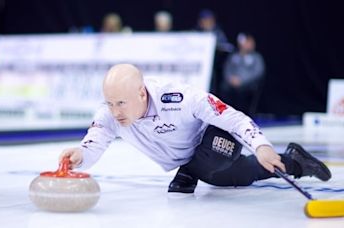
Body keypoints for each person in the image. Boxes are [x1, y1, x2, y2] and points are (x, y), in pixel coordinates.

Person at [59, 64, 331, 194]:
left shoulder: (179, 98)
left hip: (217, 140)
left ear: (142, 94)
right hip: (197, 160)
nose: (115, 112)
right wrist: (80, 156)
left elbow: (232, 118)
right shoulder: (109, 115)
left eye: (121, 103)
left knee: (215, 157)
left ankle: (189, 171)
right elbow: (92, 145)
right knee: (239, 175)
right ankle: (295, 162)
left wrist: (260, 145)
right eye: (109, 103)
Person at [222, 33, 265, 116]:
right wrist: (231, 79)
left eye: (252, 43)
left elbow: (258, 72)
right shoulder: (233, 56)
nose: (251, 45)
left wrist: (242, 81)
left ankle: (243, 115)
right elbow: (227, 69)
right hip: (232, 84)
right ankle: (228, 116)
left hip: (247, 84)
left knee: (242, 93)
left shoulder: (256, 57)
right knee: (225, 89)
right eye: (248, 42)